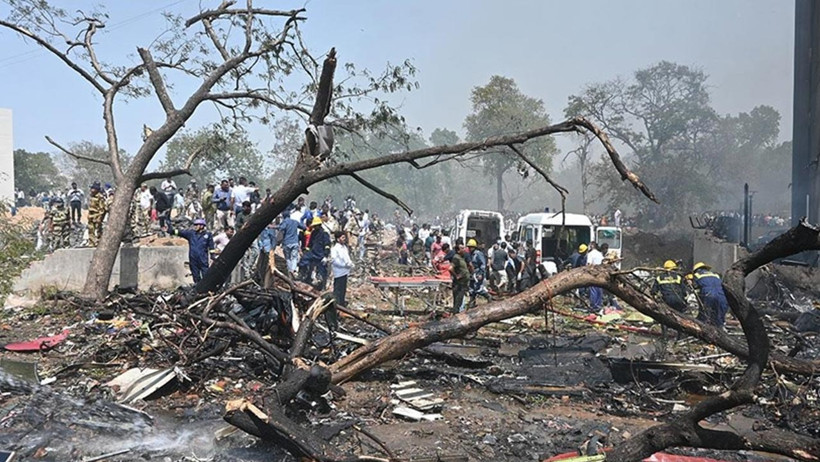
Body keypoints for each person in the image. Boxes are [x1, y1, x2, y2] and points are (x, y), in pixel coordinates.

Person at [166, 218, 214, 284]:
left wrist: (212, 255)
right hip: (193, 258)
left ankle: (207, 286)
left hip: (203, 258)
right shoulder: (191, 234)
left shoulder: (208, 235)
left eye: (197, 225)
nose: (195, 226)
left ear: (202, 226)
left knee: (205, 274)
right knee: (195, 274)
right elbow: (180, 233)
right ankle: (197, 287)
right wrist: (171, 231)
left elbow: (211, 246)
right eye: (195, 225)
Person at [691, 262, 729, 328]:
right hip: (721, 294)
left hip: (708, 294)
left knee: (706, 316)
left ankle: (706, 331)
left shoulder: (697, 275)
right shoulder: (715, 275)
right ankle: (721, 331)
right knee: (719, 316)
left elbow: (695, 286)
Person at [330, 230, 354, 330]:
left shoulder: (344, 247)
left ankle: (341, 308)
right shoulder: (335, 249)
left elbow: (346, 258)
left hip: (345, 272)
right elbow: (334, 261)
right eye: (343, 238)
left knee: (343, 291)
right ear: (338, 238)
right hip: (339, 272)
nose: (344, 239)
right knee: (338, 291)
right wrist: (345, 265)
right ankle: (337, 309)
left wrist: (350, 264)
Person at [299, 217, 331, 288]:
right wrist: (306, 251)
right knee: (303, 262)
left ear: (319, 225)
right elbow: (310, 244)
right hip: (312, 253)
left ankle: (322, 286)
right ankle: (303, 277)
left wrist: (326, 256)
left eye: (315, 226)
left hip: (320, 255)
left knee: (322, 271)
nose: (314, 227)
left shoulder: (324, 233)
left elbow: (327, 245)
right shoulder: (313, 233)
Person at [278, 210, 304, 277]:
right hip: (295, 242)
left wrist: (273, 226)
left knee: (288, 257)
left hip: (287, 243)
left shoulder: (285, 222)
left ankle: (290, 271)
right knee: (294, 257)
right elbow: (303, 227)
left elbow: (281, 228)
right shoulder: (295, 222)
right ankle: (293, 270)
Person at [257, 220, 279, 288]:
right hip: (263, 250)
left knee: (269, 267)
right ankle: (261, 282)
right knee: (261, 266)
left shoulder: (270, 230)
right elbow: (260, 239)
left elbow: (273, 240)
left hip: (269, 250)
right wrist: (261, 246)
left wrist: (272, 249)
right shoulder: (262, 230)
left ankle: (267, 285)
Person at [450, 247, 470, 314]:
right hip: (459, 283)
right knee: (458, 299)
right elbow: (450, 268)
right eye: (462, 248)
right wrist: (456, 276)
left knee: (460, 299)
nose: (464, 249)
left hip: (463, 283)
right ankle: (455, 314)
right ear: (458, 250)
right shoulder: (456, 258)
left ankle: (456, 312)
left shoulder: (461, 257)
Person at [585, 242, 604, 312]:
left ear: (592, 246)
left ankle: (593, 306)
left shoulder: (590, 254)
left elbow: (589, 264)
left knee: (593, 290)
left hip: (593, 274)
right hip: (601, 273)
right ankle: (599, 305)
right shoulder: (600, 254)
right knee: (599, 290)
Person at [87, 182, 107, 247]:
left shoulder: (100, 197)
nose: (91, 190)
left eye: (93, 188)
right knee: (90, 230)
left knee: (98, 230)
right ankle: (91, 243)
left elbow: (102, 209)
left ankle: (99, 243)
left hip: (97, 215)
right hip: (91, 215)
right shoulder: (91, 196)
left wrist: (100, 218)